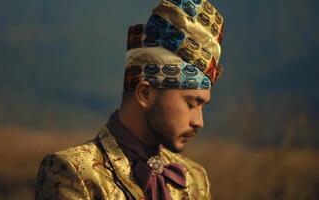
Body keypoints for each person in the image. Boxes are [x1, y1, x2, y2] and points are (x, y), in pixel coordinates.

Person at [35, 0, 224, 199]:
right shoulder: (73, 171)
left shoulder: (195, 179)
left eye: (203, 106)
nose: (199, 122)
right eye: (191, 104)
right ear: (145, 94)